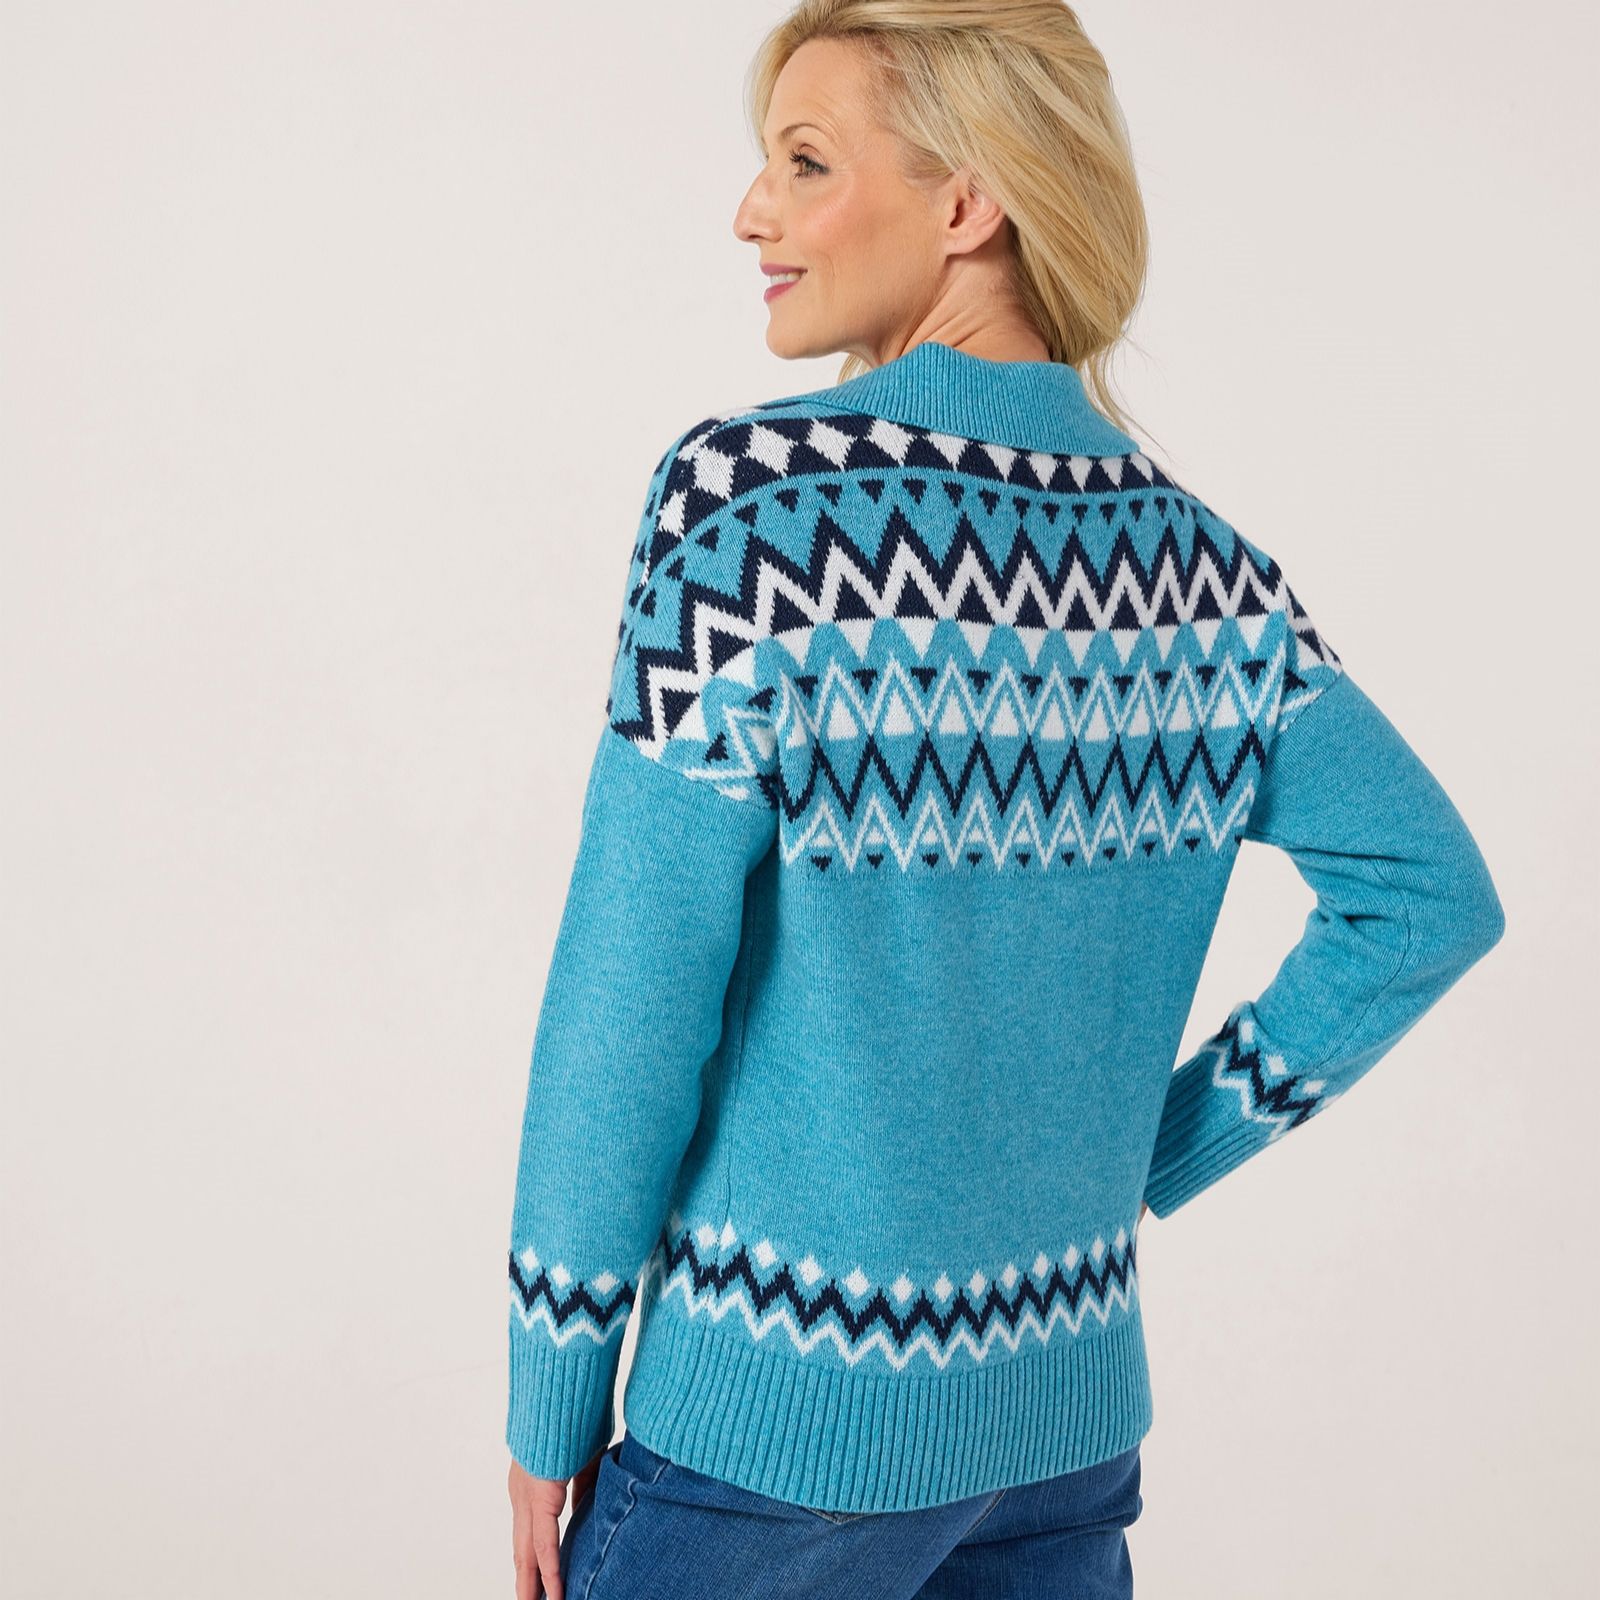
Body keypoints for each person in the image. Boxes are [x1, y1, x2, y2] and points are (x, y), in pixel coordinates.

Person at [505, 4, 1506, 1597]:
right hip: (1060, 1433)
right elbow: (1428, 899)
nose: (752, 211)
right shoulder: (1213, 582)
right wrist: (1142, 1165)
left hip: (778, 1441)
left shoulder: (756, 519)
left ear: (968, 201)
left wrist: (551, 1388)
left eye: (805, 161)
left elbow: (629, 1001)